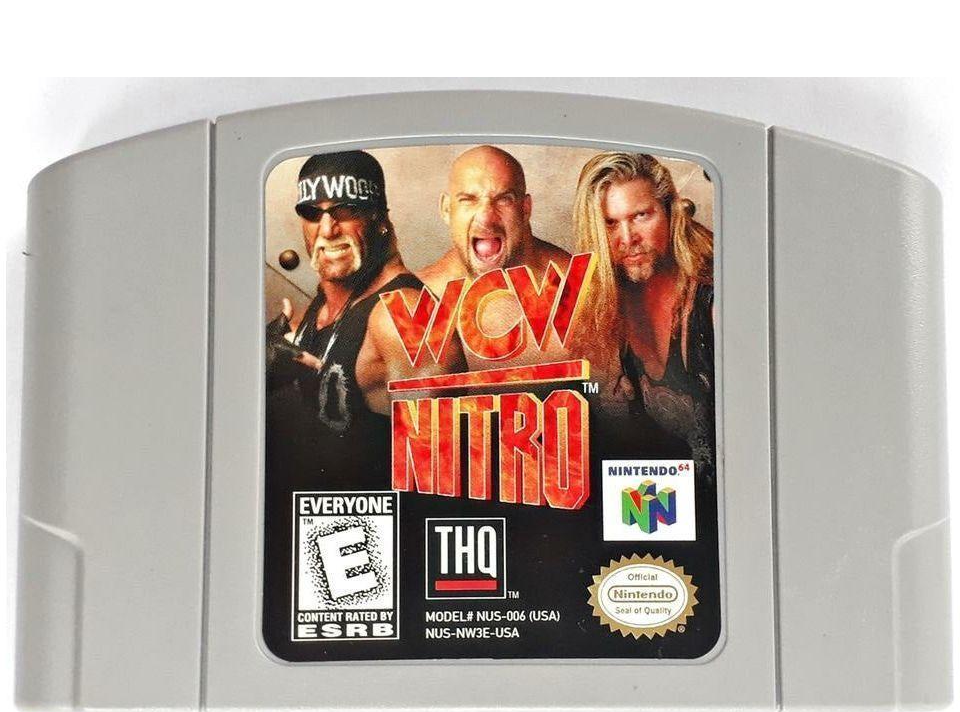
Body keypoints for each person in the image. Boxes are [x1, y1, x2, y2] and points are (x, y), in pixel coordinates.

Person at [266, 150, 464, 488]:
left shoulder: (407, 315)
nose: (327, 230)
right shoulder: (331, 298)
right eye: (312, 213)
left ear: (379, 219)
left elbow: (439, 477)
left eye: (346, 211)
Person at [573, 152, 715, 478]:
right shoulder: (608, 304)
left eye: (641, 216)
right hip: (668, 495)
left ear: (670, 212)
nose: (628, 239)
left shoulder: (713, 297)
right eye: (610, 223)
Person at [418, 145, 570, 366]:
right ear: (446, 209)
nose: (486, 218)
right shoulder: (416, 299)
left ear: (525, 209)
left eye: (503, 199)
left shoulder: (581, 289)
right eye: (468, 199)